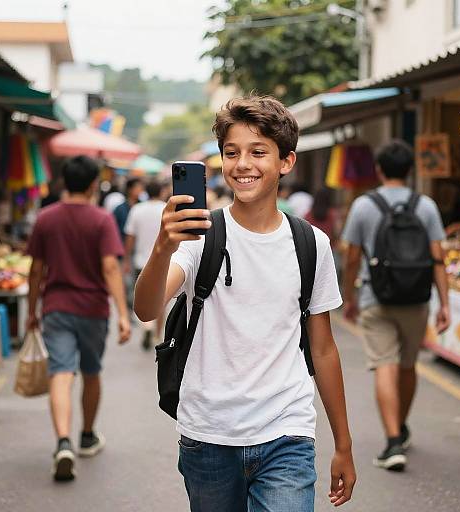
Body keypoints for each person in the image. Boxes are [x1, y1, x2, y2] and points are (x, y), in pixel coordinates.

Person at [134, 95, 356, 511]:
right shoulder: (200, 236)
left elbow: (323, 349)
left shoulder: (312, 244)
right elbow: (147, 308)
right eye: (231, 153)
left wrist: (343, 444)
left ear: (286, 162)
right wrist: (164, 245)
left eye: (258, 152)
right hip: (208, 435)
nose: (243, 164)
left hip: (286, 432)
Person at [342, 140, 450, 471]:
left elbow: (352, 256)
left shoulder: (363, 205)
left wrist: (349, 297)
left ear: (379, 170)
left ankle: (391, 443)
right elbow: (438, 257)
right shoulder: (426, 205)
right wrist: (444, 303)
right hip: (417, 298)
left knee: (384, 365)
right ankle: (400, 429)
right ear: (410, 170)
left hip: (376, 296)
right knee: (407, 365)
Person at [26, 155, 131, 482]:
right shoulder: (101, 220)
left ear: (63, 183)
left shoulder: (45, 218)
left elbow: (36, 270)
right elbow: (111, 267)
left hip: (56, 306)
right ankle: (87, 435)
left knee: (61, 372)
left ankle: (62, 442)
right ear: (91, 185)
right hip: (93, 309)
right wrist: (124, 315)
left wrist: (31, 311)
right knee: (91, 372)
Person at [123, 180, 166, 348]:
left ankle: (146, 326)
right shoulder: (166, 208)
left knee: (141, 294)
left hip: (141, 261)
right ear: (161, 191)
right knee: (161, 297)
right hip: (162, 261)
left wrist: (126, 259)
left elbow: (130, 237)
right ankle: (156, 334)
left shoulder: (137, 210)